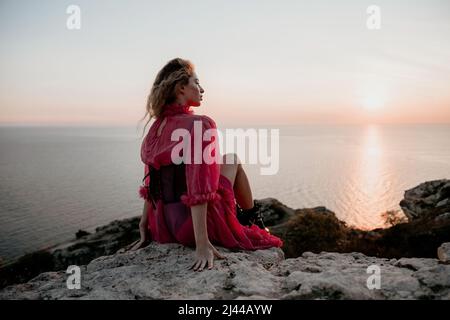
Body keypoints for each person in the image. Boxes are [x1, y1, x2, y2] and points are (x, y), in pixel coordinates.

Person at [128, 58, 283, 272]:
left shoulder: (156, 127)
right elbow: (199, 188)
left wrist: (143, 225)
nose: (202, 89)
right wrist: (202, 244)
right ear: (181, 87)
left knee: (227, 159)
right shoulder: (200, 124)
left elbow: (151, 183)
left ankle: (250, 218)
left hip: (162, 227)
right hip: (191, 229)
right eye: (197, 82)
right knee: (233, 159)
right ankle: (253, 221)